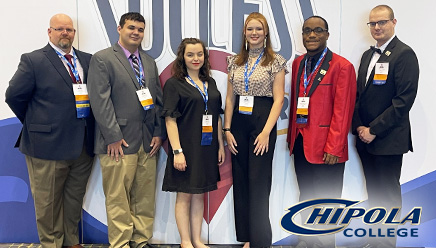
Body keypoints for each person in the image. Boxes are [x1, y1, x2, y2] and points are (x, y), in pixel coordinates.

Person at [5, 14, 94, 248]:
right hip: (46, 145)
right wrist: (36, 122)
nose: (65, 33)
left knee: (74, 199)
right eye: (60, 29)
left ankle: (72, 240)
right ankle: (52, 244)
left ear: (74, 33)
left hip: (83, 144)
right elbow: (13, 96)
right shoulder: (34, 60)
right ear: (49, 32)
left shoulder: (88, 60)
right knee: (48, 202)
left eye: (70, 30)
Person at [87, 12, 165, 248]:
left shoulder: (149, 62)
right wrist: (112, 137)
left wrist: (158, 133)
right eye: (131, 28)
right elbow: (100, 102)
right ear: (119, 29)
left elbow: (157, 101)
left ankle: (141, 240)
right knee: (118, 198)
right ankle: (120, 243)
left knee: (144, 196)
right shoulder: (102, 59)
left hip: (147, 141)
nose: (136, 33)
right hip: (117, 143)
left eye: (140, 30)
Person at [286, 16, 356, 248]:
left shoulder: (342, 66)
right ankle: (306, 240)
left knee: (328, 202)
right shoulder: (298, 64)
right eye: (307, 31)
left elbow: (343, 111)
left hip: (328, 148)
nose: (312, 35)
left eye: (317, 30)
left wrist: (335, 146)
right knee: (305, 196)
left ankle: (326, 244)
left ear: (327, 34)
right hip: (301, 142)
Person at [352, 5, 419, 248]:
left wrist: (374, 130)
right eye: (373, 23)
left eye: (382, 22)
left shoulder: (404, 54)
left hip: (388, 139)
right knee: (374, 193)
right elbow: (360, 96)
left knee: (388, 195)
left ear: (393, 22)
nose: (377, 27)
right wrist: (359, 127)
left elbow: (403, 102)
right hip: (365, 138)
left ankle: (386, 244)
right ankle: (375, 240)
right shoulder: (368, 56)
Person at [224, 12, 287, 248]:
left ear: (266, 32)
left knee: (258, 182)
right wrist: (227, 128)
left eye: (258, 29)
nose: (254, 33)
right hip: (238, 122)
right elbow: (230, 98)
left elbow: (279, 100)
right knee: (241, 181)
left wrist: (265, 132)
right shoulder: (234, 61)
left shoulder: (276, 61)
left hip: (263, 121)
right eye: (250, 29)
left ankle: (261, 241)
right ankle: (248, 238)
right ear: (244, 32)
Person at [161, 38, 225, 248]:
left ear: (205, 57)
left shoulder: (211, 83)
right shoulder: (174, 84)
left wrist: (220, 145)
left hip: (207, 148)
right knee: (185, 195)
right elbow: (170, 120)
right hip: (185, 148)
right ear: (182, 57)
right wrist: (177, 151)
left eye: (199, 54)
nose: (196, 58)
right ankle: (185, 241)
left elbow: (216, 116)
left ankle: (197, 240)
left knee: (200, 194)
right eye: (190, 54)